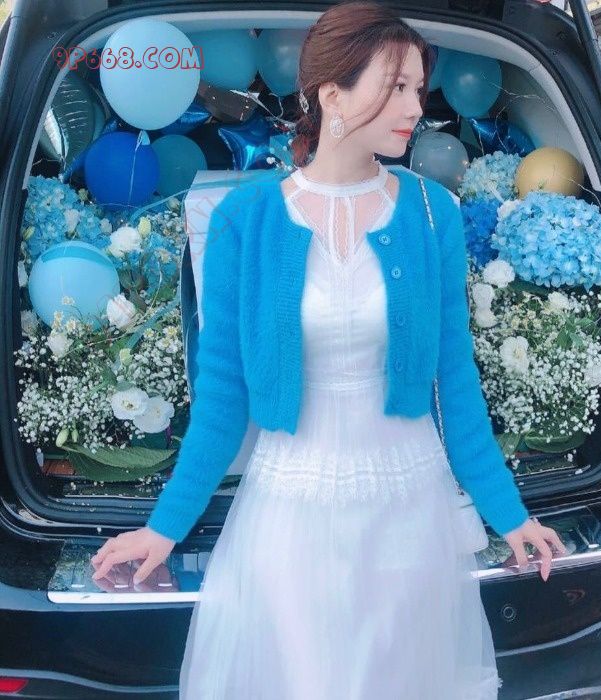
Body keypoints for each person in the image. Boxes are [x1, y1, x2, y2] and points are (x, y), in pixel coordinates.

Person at [90, 2, 567, 697]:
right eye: (395, 86)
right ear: (331, 94)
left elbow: (454, 379)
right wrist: (163, 530)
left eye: (418, 87)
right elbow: (222, 398)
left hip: (409, 515)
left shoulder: (431, 211)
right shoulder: (245, 221)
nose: (416, 106)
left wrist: (510, 514)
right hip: (292, 517)